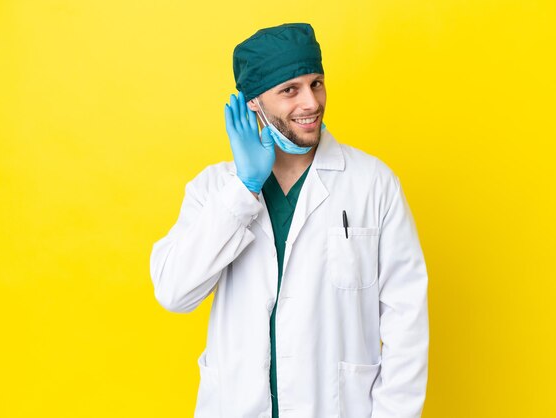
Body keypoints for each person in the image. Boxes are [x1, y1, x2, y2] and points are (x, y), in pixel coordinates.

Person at [150, 22, 429, 418]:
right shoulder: (214, 189)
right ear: (254, 104)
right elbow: (174, 291)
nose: (311, 102)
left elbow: (407, 321)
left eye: (316, 83)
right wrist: (243, 190)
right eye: (290, 90)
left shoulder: (372, 184)